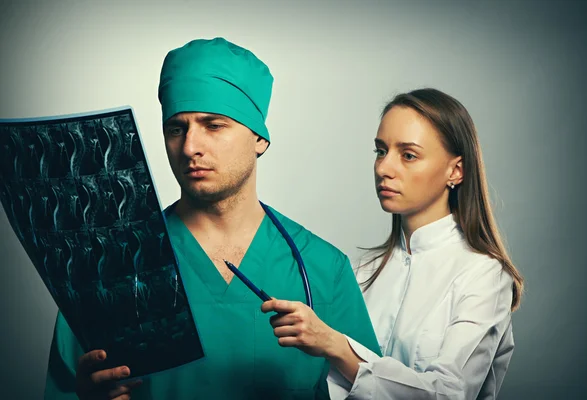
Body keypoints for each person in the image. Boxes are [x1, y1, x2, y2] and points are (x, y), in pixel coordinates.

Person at [43, 37, 381, 400]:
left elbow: (373, 389)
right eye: (177, 128)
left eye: (214, 125)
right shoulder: (106, 267)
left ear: (259, 139)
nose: (190, 147)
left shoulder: (322, 270)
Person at [261, 88, 525, 399]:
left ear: (456, 170)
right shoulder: (360, 271)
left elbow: (449, 394)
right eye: (381, 151)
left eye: (408, 155)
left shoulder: (484, 276)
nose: (384, 168)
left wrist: (337, 347)